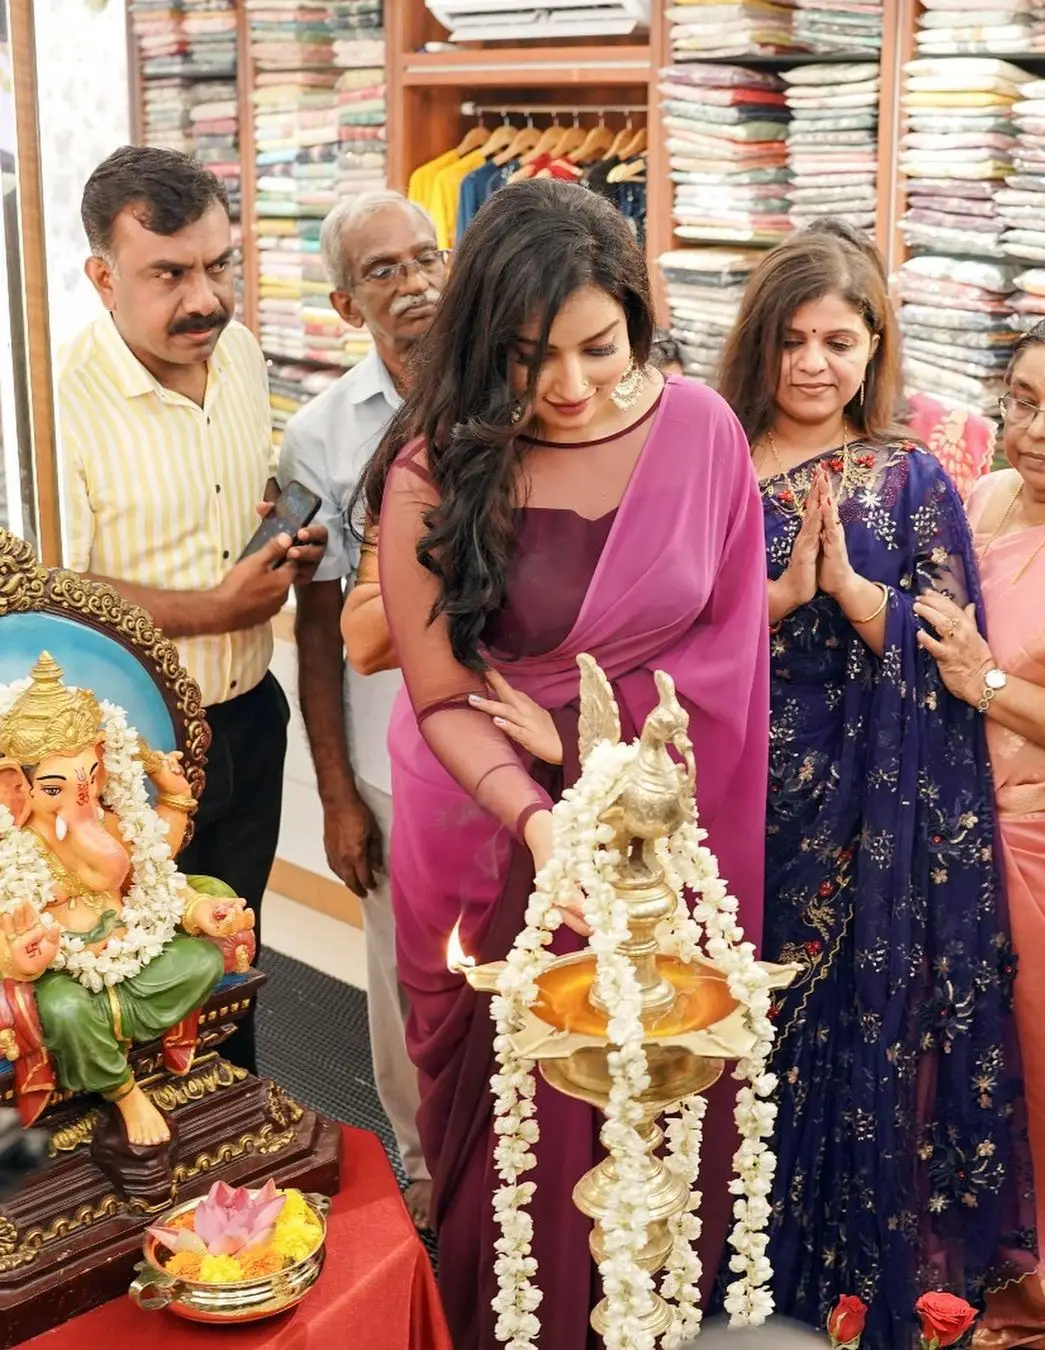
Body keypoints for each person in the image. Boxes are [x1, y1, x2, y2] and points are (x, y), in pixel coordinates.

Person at [357, 177, 770, 1349]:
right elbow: (439, 694)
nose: (573, 385)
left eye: (600, 346)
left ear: (640, 319)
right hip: (489, 827)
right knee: (510, 1129)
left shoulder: (702, 433)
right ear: (490, 341)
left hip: (649, 824)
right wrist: (544, 822)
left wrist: (601, 741)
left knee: (646, 1113)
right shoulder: (434, 464)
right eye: (535, 356)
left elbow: (730, 650)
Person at [716, 224, 1035, 1350]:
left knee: (853, 1026)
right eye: (793, 338)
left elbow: (960, 658)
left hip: (871, 813)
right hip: (736, 790)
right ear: (760, 342)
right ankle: (729, 1274)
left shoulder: (911, 478)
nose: (813, 363)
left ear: (874, 347)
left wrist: (855, 598)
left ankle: (839, 1290)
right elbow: (666, 636)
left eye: (838, 340)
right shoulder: (707, 462)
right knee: (737, 1023)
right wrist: (778, 604)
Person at [56, 146, 326, 1074]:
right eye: (168, 273)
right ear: (103, 278)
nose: (205, 297)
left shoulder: (239, 353)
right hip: (128, 760)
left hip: (250, 716)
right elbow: (59, 595)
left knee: (232, 957)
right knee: (130, 986)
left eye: (219, 265)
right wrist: (214, 606)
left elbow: (237, 502)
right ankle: (142, 1187)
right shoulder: (61, 408)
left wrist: (278, 545)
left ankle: (236, 1172)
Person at [277, 190, 447, 1228]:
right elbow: (315, 624)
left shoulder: (519, 389)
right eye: (384, 270)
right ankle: (425, 1170)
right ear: (346, 303)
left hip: (521, 741)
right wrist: (337, 794)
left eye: (427, 256)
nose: (416, 280)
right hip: (391, 756)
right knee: (401, 975)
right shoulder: (318, 438)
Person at [915, 312, 1045, 1350]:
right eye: (1024, 399)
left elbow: (984, 674)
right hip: (961, 844)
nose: (1039, 428)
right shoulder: (984, 497)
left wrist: (988, 682)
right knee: (966, 1082)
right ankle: (967, 1281)